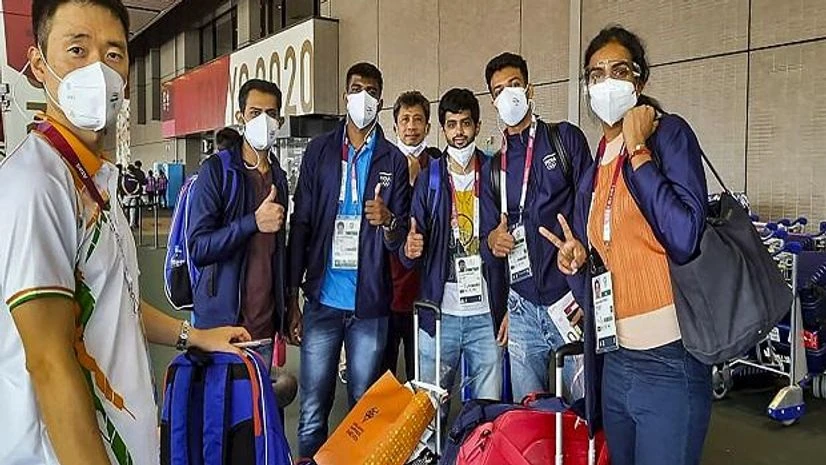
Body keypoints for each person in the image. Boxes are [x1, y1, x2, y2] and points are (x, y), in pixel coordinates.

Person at [0, 2, 250, 465]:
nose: (97, 69)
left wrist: (194, 335)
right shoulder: (37, 184)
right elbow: (49, 363)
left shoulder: (95, 182)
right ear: (38, 65)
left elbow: (118, 304)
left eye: (113, 54)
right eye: (77, 49)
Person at [541, 26, 712, 465]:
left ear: (640, 79)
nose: (607, 81)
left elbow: (685, 236)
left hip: (671, 360)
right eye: (596, 74)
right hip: (615, 359)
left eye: (619, 70)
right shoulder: (596, 160)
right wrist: (577, 261)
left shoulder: (667, 136)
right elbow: (607, 256)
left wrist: (638, 150)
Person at [288, 62, 410, 461]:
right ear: (345, 95)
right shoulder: (320, 152)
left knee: (363, 404)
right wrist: (292, 293)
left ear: (380, 99)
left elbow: (400, 239)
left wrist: (388, 220)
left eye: (372, 91)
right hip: (323, 300)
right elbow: (302, 223)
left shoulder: (392, 160)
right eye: (357, 89)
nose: (364, 98)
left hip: (370, 305)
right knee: (312, 408)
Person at [481, 52, 593, 401]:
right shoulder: (494, 167)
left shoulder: (564, 140)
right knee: (530, 413)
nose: (507, 95)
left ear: (530, 89)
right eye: (498, 90)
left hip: (570, 299)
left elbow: (590, 206)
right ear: (492, 101)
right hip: (522, 307)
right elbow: (487, 238)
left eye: (514, 85)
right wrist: (493, 240)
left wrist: (585, 291)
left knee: (583, 412)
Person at [402, 88, 507, 445]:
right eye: (451, 125)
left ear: (477, 126)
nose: (459, 131)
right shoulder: (430, 179)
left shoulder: (495, 174)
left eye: (465, 123)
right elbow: (410, 240)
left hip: (485, 315)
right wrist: (409, 248)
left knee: (485, 414)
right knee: (430, 412)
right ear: (442, 130)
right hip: (439, 315)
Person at [187, 78, 294, 370]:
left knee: (260, 411)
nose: (264, 121)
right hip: (221, 325)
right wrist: (252, 222)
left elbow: (277, 253)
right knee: (221, 410)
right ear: (240, 117)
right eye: (255, 112)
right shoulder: (217, 171)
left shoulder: (279, 178)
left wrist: (286, 308)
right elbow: (198, 247)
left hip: (264, 327)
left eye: (271, 114)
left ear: (280, 120)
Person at [383, 90, 433, 382]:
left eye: (418, 119)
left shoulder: (439, 165)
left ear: (427, 126)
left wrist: (417, 180)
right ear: (395, 126)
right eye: (405, 120)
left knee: (421, 377)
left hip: (425, 293)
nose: (411, 126)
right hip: (386, 290)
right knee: (385, 377)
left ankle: (425, 430)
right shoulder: (382, 165)